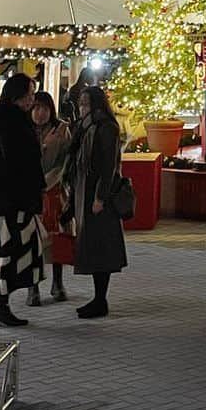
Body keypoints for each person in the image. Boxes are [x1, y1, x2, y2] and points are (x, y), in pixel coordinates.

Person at [0, 73, 46, 328]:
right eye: (29, 94)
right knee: (9, 252)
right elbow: (18, 164)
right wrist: (32, 195)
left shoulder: (6, 120)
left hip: (5, 200)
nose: (32, 99)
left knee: (9, 252)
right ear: (17, 95)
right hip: (12, 201)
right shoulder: (11, 122)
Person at [61, 85, 128, 319]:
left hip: (98, 196)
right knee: (91, 246)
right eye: (81, 103)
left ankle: (101, 299)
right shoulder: (84, 127)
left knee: (100, 247)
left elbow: (108, 166)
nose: (82, 108)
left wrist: (100, 197)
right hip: (83, 192)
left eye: (86, 104)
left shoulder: (105, 127)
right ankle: (98, 299)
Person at [28, 91, 74, 305]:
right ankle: (33, 287)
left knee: (56, 239)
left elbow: (66, 161)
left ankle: (58, 283)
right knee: (32, 241)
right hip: (29, 194)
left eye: (44, 108)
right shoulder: (24, 129)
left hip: (55, 192)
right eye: (36, 108)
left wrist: (49, 180)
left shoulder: (61, 129)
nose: (40, 113)